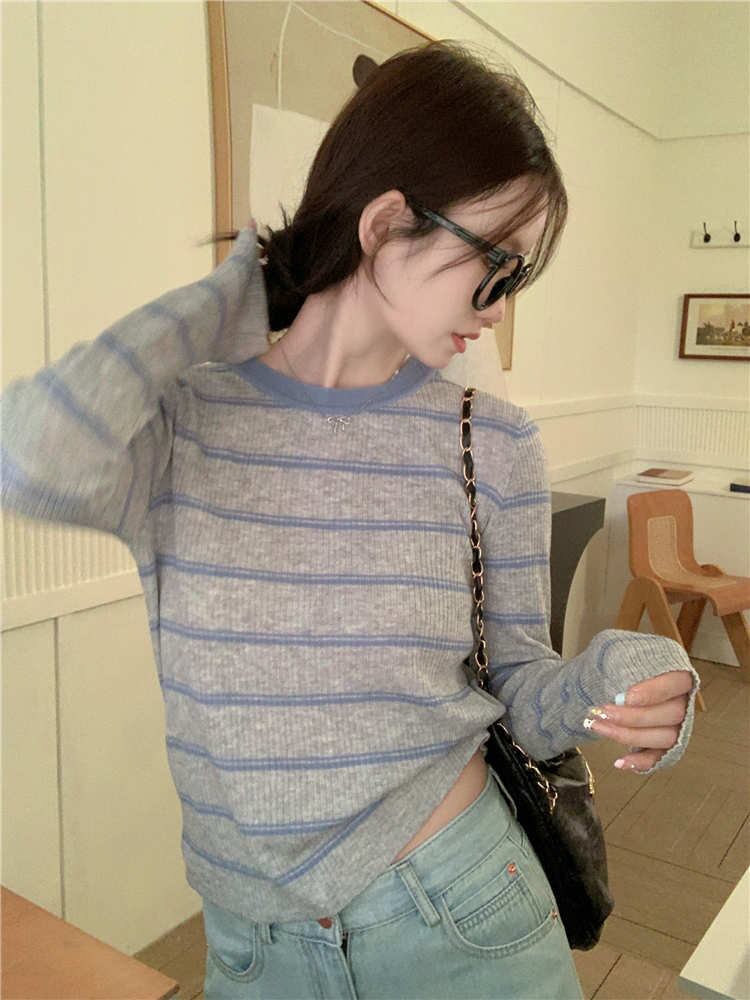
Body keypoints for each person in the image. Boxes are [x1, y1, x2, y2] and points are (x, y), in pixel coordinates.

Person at [1, 39, 699, 1000]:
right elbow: (29, 456)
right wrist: (236, 293)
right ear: (385, 223)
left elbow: (521, 691)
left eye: (516, 279)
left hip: (459, 910)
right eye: (494, 266)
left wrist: (617, 679)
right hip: (254, 948)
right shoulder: (179, 428)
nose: (499, 309)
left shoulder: (490, 443)